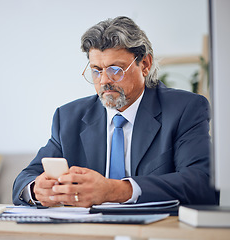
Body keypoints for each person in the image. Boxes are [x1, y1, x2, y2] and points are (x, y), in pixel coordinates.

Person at [12, 16, 218, 207]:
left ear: (145, 65)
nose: (104, 81)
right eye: (96, 70)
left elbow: (201, 182)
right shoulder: (68, 117)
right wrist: (36, 189)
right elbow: (25, 179)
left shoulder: (184, 109)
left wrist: (116, 190)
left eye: (115, 70)